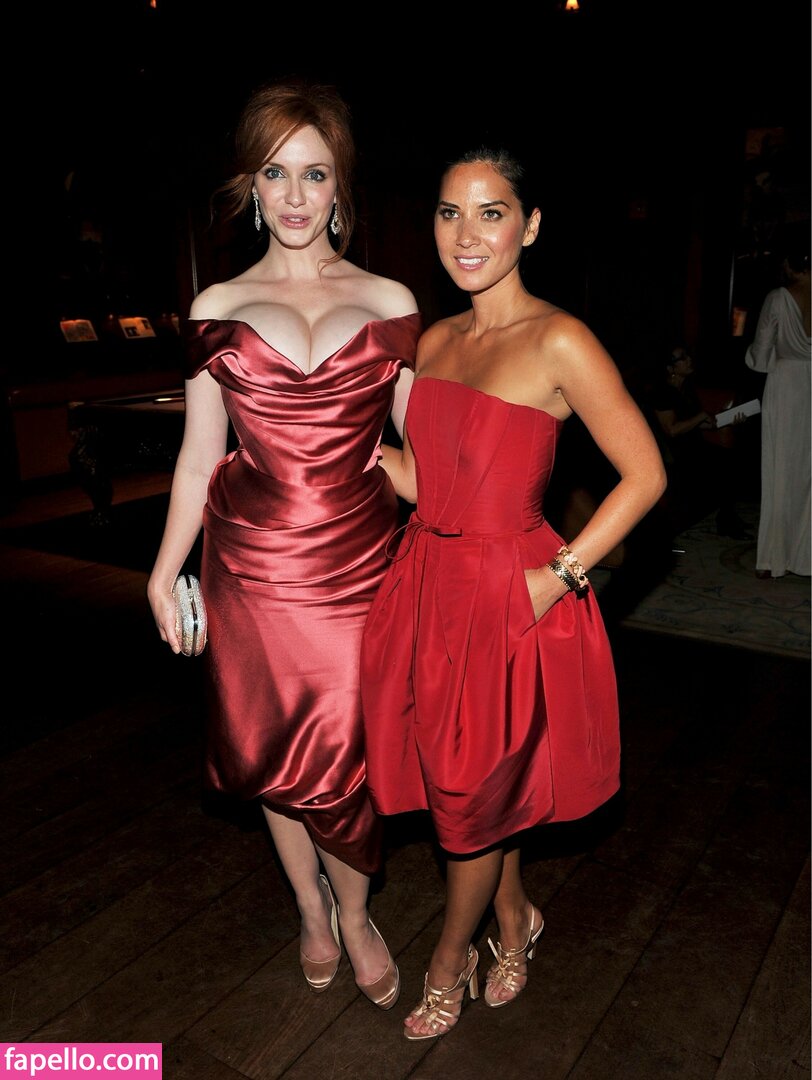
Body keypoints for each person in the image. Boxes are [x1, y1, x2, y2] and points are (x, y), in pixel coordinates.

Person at [360, 147, 667, 1040]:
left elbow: (645, 474)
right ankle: (514, 914)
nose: (467, 233)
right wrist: (349, 449)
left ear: (529, 227)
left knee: (468, 793)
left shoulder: (560, 339)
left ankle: (447, 962)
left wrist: (560, 576)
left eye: (491, 213)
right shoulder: (433, 341)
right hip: (427, 583)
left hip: (509, 593)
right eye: (449, 212)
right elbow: (428, 483)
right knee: (474, 783)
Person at [146, 79, 421, 1008]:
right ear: (251, 186)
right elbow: (199, 457)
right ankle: (310, 907)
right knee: (272, 749)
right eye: (276, 173)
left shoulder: (389, 300)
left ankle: (357, 914)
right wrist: (162, 574)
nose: (295, 195)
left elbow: (427, 457)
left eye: (315, 173)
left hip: (361, 566)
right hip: (250, 568)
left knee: (347, 753)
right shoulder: (217, 303)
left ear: (341, 186)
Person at [745, 229, 811, 578]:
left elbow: (760, 354)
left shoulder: (778, 297)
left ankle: (775, 559)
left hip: (786, 386)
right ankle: (805, 557)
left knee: (780, 470)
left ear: (790, 264)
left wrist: (759, 359)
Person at [650, 345, 752, 540]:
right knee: (725, 465)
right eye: (682, 358)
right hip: (676, 453)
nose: (689, 359)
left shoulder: (686, 390)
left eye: (687, 355)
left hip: (695, 447)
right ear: (670, 368)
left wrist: (729, 418)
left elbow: (703, 423)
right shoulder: (663, 393)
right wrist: (701, 416)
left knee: (735, 459)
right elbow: (672, 430)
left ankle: (727, 517)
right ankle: (726, 521)